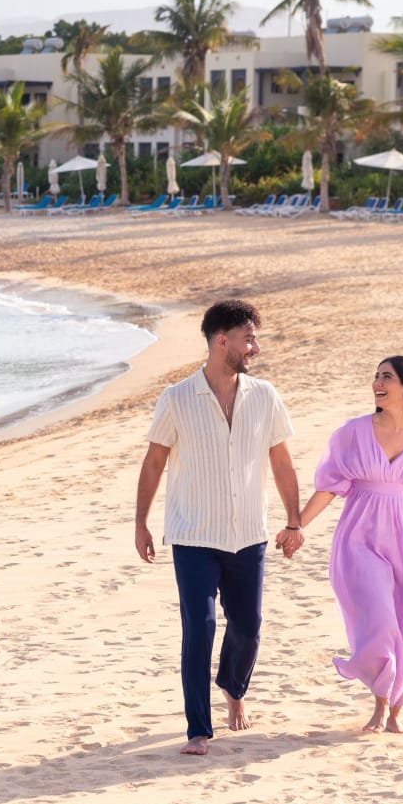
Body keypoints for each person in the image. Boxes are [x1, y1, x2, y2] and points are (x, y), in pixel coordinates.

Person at [135, 299, 302, 755]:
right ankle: (198, 729)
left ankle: (233, 687)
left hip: (248, 533)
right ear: (221, 340)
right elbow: (154, 462)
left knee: (248, 626)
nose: (255, 347)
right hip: (193, 535)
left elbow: (282, 460)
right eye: (249, 338)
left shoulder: (265, 396)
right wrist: (141, 523)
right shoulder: (177, 398)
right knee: (201, 627)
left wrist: (294, 520)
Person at [291, 356, 403, 733]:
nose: (377, 382)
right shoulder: (353, 432)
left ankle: (393, 713)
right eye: (375, 376)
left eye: (386, 376)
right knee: (378, 617)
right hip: (361, 536)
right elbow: (329, 486)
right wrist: (297, 525)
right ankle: (378, 698)